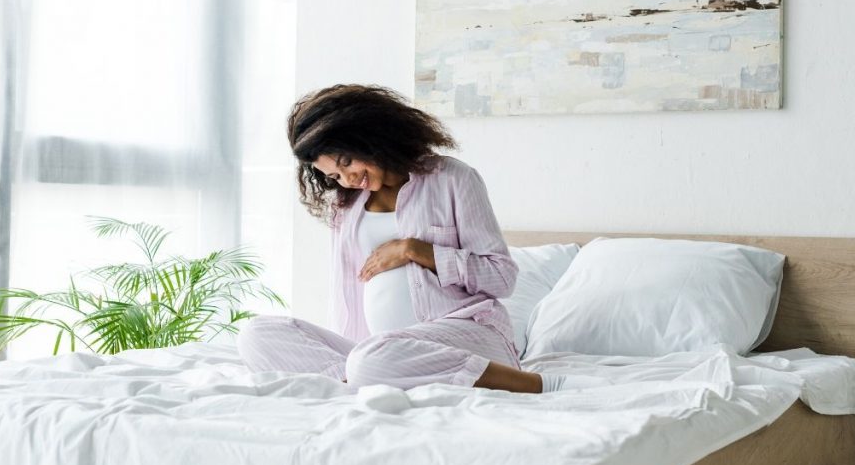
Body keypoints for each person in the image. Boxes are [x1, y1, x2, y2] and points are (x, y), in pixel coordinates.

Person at [237, 84, 598, 393]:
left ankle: (542, 385)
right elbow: (347, 294)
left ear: (370, 137)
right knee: (256, 333)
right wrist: (359, 355)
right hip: (381, 351)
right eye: (332, 174)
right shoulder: (347, 207)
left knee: (370, 359)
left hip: (469, 334)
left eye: (346, 162)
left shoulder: (453, 180)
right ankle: (361, 380)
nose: (345, 180)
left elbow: (502, 277)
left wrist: (416, 250)